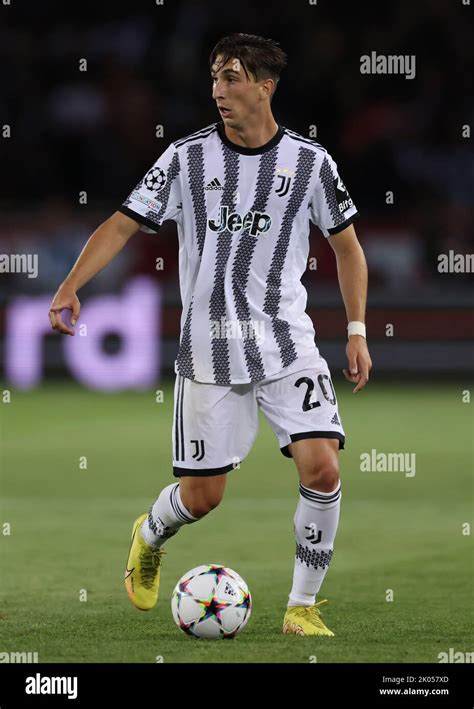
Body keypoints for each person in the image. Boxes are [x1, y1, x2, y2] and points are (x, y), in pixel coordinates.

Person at [49, 33, 372, 637]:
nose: (219, 91)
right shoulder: (184, 159)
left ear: (265, 86)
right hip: (209, 348)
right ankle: (150, 533)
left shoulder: (310, 163)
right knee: (202, 498)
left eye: (232, 78)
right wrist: (71, 285)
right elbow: (123, 225)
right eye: (216, 79)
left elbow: (348, 249)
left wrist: (356, 329)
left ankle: (301, 608)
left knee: (322, 467)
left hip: (287, 341)